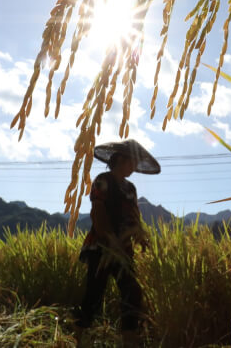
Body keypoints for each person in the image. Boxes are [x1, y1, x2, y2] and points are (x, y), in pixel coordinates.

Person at [74, 139, 160, 346]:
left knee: (132, 292)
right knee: (94, 292)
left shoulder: (130, 187)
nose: (133, 168)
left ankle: (129, 338)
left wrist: (140, 236)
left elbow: (133, 216)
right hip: (102, 247)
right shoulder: (103, 180)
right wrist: (110, 239)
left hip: (124, 250)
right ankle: (79, 336)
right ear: (120, 160)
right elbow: (98, 211)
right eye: (131, 162)